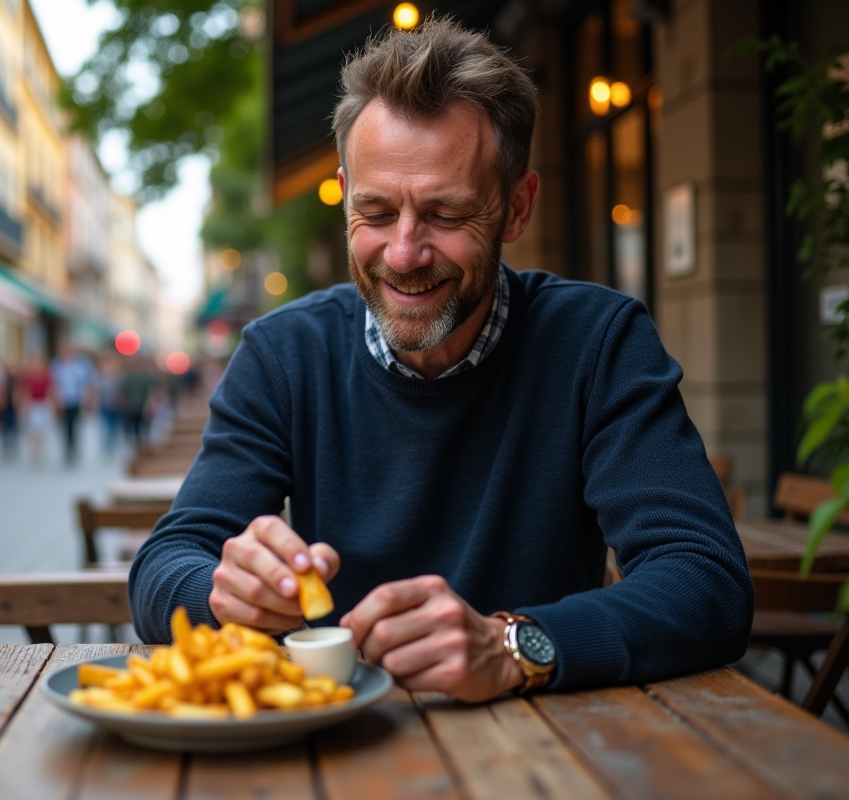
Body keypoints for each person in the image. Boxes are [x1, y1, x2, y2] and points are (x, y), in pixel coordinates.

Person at [129, 19, 752, 702]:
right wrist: (219, 596)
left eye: (445, 214)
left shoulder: (597, 342)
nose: (403, 253)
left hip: (545, 752)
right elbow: (164, 562)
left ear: (516, 208)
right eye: (374, 211)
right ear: (344, 196)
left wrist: (513, 645)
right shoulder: (283, 354)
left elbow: (705, 580)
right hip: (325, 744)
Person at [51, 341, 97, 465]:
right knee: (65, 427)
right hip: (63, 400)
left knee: (75, 426)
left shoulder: (83, 364)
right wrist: (55, 402)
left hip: (77, 400)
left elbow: (90, 382)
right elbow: (53, 384)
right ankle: (68, 449)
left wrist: (89, 400)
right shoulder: (56, 364)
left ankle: (74, 450)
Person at [18, 352, 54, 464]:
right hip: (32, 405)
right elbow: (24, 392)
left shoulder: (47, 375)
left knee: (42, 429)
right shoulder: (27, 376)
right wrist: (23, 406)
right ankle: (33, 449)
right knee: (32, 429)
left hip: (43, 404)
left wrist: (52, 404)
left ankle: (41, 449)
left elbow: (50, 391)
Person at [119, 355, 157, 447]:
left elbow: (151, 391)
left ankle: (143, 444)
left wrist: (150, 404)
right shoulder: (129, 377)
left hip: (142, 405)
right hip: (133, 406)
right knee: (136, 427)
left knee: (144, 426)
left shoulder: (145, 376)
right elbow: (124, 392)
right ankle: (138, 445)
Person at [96, 353, 123, 457]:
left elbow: (120, 390)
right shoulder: (100, 375)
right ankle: (107, 446)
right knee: (105, 426)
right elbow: (97, 390)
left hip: (115, 404)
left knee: (113, 426)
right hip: (104, 404)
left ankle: (112, 444)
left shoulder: (117, 375)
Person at [0, 356, 20, 459]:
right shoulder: (3, 379)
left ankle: (14, 444)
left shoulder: (19, 379)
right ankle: (7, 445)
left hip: (15, 406)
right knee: (6, 426)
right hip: (6, 406)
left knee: (14, 425)